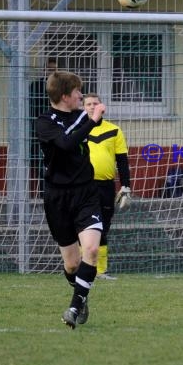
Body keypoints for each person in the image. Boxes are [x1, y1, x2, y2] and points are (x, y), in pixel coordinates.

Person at [36, 71, 106, 329]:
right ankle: (81, 293)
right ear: (65, 96)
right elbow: (66, 143)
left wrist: (93, 116)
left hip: (86, 193)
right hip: (57, 197)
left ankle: (75, 306)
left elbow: (90, 122)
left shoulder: (81, 115)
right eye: (78, 91)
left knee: (91, 250)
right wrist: (91, 120)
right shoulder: (44, 122)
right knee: (72, 263)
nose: (82, 95)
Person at [83, 93, 131, 280]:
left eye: (96, 103)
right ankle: (84, 267)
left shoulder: (114, 130)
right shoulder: (77, 129)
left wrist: (126, 186)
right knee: (83, 226)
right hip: (82, 186)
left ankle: (100, 270)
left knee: (103, 225)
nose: (92, 106)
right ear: (83, 107)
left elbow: (122, 161)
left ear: (102, 106)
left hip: (105, 186)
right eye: (88, 104)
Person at [29, 58, 58, 196]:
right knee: (38, 164)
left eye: (54, 70)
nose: (51, 72)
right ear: (45, 70)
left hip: (56, 133)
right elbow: (30, 108)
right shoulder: (35, 86)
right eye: (49, 69)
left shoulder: (61, 88)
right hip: (36, 133)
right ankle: (43, 194)